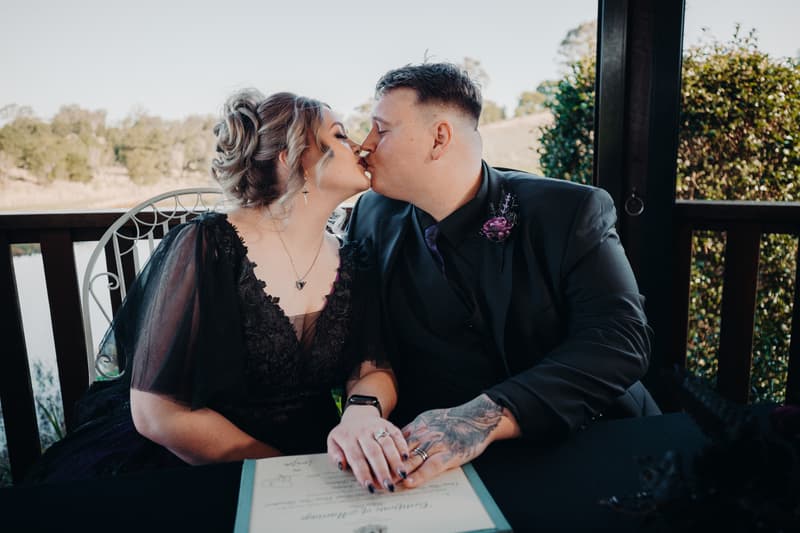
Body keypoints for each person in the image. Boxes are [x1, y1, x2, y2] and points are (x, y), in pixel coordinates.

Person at [25, 90, 407, 493]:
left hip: (316, 453)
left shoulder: (354, 260)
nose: (361, 146)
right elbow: (158, 414)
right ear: (294, 159)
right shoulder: (205, 247)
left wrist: (362, 412)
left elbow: (372, 367)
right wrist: (283, 474)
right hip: (201, 459)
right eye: (341, 135)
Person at [345, 63, 661, 488]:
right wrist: (363, 408)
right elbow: (369, 337)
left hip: (587, 440)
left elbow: (621, 340)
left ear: (439, 138)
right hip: (434, 469)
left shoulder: (567, 212)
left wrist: (484, 416)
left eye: (380, 130)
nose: (364, 146)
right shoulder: (371, 214)